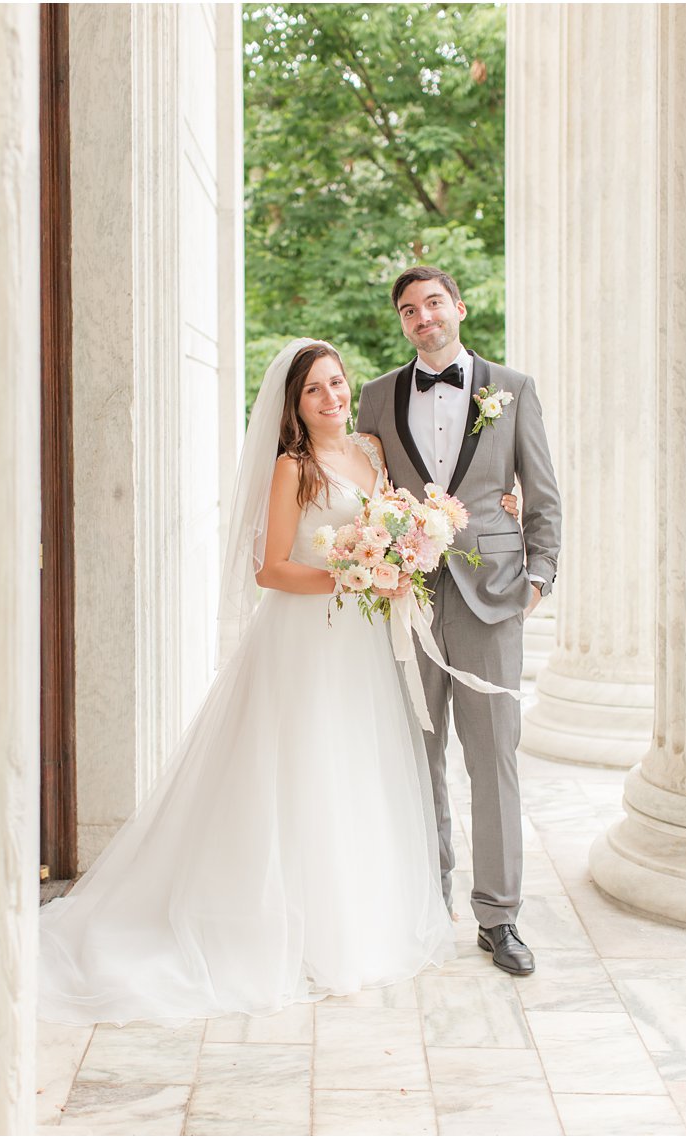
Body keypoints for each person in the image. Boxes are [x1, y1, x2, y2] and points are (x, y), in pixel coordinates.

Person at [40, 339, 518, 1026]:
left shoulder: (370, 452)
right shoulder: (291, 469)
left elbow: (397, 519)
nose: (332, 397)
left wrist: (397, 553)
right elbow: (270, 569)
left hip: (362, 638)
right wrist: (349, 573)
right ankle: (289, 927)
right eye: (315, 391)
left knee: (357, 771)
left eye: (336, 382)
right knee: (303, 771)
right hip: (308, 636)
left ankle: (357, 917)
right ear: (294, 406)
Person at [356, 266, 562, 977]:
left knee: (493, 759)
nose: (423, 317)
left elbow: (542, 494)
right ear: (402, 323)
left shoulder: (514, 388)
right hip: (405, 599)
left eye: (433, 303)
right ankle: (424, 899)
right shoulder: (378, 397)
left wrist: (537, 581)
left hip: (492, 597)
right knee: (416, 757)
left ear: (459, 308)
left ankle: (499, 917)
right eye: (409, 310)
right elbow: (367, 495)